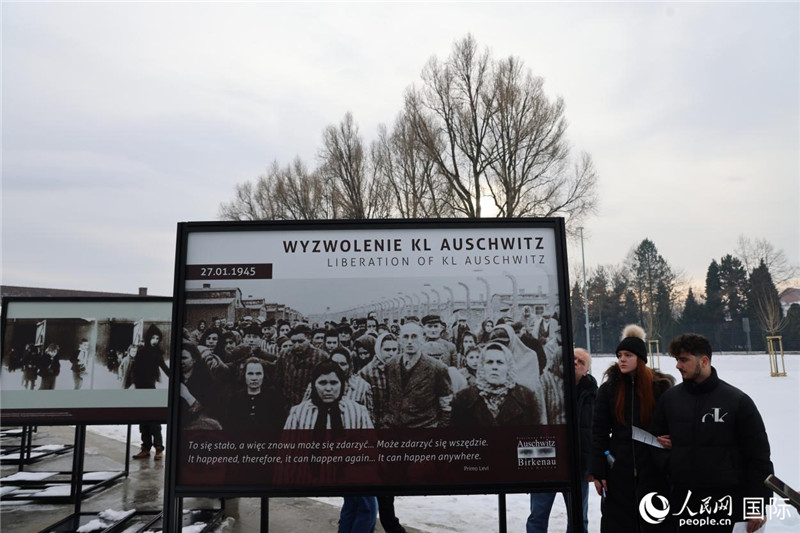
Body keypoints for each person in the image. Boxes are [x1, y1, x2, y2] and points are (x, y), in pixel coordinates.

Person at [651, 333, 774, 533]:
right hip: (684, 504)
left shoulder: (737, 401)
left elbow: (758, 458)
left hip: (727, 506)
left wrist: (756, 505)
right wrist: (671, 462)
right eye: (677, 360)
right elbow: (654, 442)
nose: (678, 366)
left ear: (704, 360)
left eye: (684, 360)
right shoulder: (670, 400)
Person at [589, 324, 674, 532]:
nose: (622, 359)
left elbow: (673, 423)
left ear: (641, 358)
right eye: (619, 355)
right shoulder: (609, 390)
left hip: (654, 470)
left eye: (628, 355)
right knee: (619, 523)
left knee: (655, 523)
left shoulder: (660, 387)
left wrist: (673, 440)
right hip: (618, 470)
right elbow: (598, 432)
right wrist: (599, 472)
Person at [527, 348, 597, 533]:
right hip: (546, 463)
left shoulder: (593, 396)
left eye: (581, 362)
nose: (575, 362)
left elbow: (596, 434)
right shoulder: (544, 385)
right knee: (538, 516)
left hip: (578, 466)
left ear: (586, 370)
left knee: (578, 519)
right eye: (572, 358)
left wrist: (592, 466)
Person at [450, 342, 541, 427]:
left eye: (500, 362)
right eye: (489, 362)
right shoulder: (463, 399)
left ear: (508, 367)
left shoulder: (526, 398)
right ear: (482, 367)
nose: (494, 367)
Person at [383, 322, 453, 429]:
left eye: (414, 337)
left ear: (422, 339)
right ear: (399, 340)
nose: (410, 342)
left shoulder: (437, 368)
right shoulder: (390, 365)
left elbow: (446, 406)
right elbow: (387, 397)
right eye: (405, 337)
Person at [131, 325, 170, 460]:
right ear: (148, 338)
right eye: (153, 337)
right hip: (140, 389)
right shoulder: (141, 352)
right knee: (143, 420)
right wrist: (135, 385)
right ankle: (145, 448)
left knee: (154, 420)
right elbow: (135, 370)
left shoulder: (157, 353)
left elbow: (165, 368)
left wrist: (176, 378)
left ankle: (159, 448)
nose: (155, 340)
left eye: (157, 338)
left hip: (151, 389)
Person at [224, 357, 286, 436]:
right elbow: (229, 428)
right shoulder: (234, 399)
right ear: (244, 375)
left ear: (264, 375)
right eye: (250, 374)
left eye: (258, 374)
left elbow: (280, 427)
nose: (254, 378)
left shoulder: (274, 398)